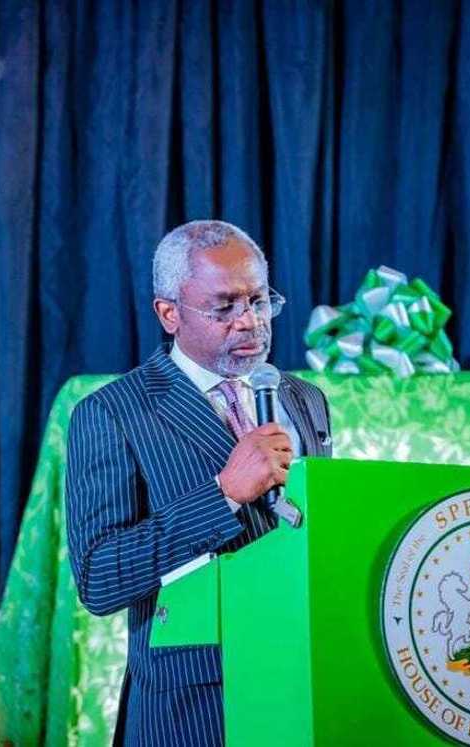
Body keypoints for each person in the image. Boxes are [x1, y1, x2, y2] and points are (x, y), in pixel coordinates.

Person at [65, 220, 332, 746]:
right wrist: (224, 494)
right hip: (192, 708)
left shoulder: (304, 398)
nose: (250, 322)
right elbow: (99, 579)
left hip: (303, 687)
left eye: (259, 300)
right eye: (224, 308)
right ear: (169, 314)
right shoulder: (112, 413)